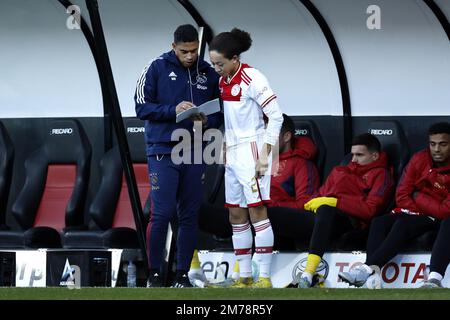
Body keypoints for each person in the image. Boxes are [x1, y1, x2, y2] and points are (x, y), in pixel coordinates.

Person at [134, 24, 222, 288]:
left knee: (189, 214)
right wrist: (173, 110)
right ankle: (154, 274)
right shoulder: (156, 67)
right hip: (162, 149)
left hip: (195, 149)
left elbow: (220, 110)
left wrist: (208, 120)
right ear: (174, 47)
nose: (190, 56)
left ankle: (183, 275)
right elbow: (141, 106)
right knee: (161, 213)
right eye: (184, 51)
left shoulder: (207, 71)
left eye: (194, 51)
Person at [208, 28, 284, 288]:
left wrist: (265, 154)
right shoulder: (222, 81)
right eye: (213, 63)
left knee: (257, 212)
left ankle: (264, 276)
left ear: (235, 58)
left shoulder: (253, 77)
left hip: (254, 149)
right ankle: (244, 276)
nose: (216, 68)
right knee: (235, 215)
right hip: (233, 152)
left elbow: (276, 117)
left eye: (220, 63)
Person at [339, 122, 450, 289]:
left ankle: (367, 269)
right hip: (416, 212)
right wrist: (418, 205)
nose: (436, 149)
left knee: (403, 223)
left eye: (443, 144)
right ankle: (373, 278)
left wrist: (417, 196)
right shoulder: (420, 159)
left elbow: (445, 210)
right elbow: (402, 194)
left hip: (439, 218)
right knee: (379, 222)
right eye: (432, 144)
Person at [298, 133, 395, 288]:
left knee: (325, 209)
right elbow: (319, 195)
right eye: (352, 155)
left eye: (359, 155)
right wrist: (312, 203)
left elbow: (371, 210)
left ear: (375, 156)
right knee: (270, 214)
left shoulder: (382, 176)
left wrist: (335, 202)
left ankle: (308, 274)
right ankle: (250, 272)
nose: (354, 159)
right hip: (322, 220)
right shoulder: (340, 170)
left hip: (351, 223)